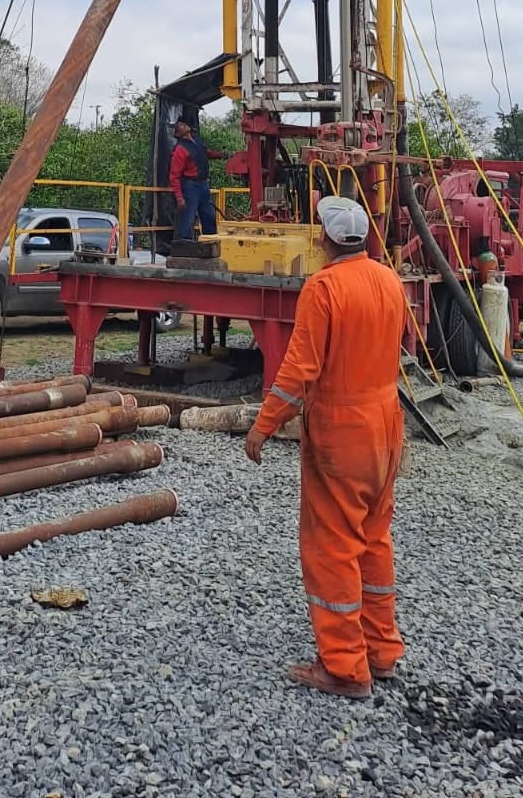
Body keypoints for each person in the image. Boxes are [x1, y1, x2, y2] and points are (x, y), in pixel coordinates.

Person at [245, 194, 407, 700]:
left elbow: (298, 373)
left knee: (333, 547)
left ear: (324, 239)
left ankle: (343, 668)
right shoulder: (389, 281)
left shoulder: (323, 289)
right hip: (386, 428)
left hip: (342, 432)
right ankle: (381, 653)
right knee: (374, 540)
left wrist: (264, 425)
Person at [169, 119, 225, 241]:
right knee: (187, 217)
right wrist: (179, 197)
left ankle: (210, 241)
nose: (184, 124)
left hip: (203, 184)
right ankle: (184, 244)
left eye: (183, 123)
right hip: (190, 186)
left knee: (209, 215)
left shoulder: (196, 141)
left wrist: (222, 155)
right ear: (178, 134)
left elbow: (206, 153)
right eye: (180, 126)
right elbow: (174, 175)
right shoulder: (180, 149)